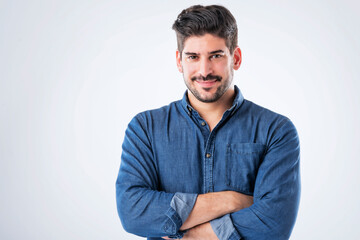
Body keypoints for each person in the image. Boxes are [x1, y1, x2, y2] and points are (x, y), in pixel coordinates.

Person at [116, 4, 300, 240]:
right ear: (179, 61)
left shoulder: (275, 131)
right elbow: (132, 213)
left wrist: (186, 235)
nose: (204, 70)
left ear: (236, 58)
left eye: (216, 56)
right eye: (193, 57)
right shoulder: (145, 129)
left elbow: (274, 223)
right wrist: (232, 200)